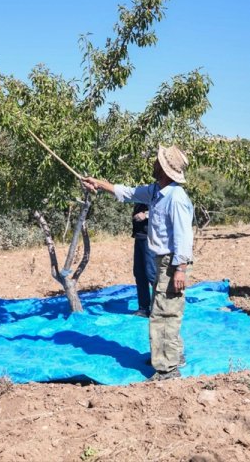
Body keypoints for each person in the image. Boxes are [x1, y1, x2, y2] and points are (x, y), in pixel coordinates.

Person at [81, 145, 193, 381]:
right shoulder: (155, 191)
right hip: (162, 260)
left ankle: (168, 369)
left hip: (172, 263)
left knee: (165, 314)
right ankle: (171, 355)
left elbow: (183, 237)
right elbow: (128, 192)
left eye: (157, 162)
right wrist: (99, 184)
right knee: (162, 309)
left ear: (163, 169)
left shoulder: (176, 198)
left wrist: (180, 270)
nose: (153, 163)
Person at [131, 203, 157, 317]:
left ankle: (160, 308)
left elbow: (163, 209)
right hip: (140, 237)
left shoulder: (156, 190)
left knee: (152, 273)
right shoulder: (140, 191)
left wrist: (146, 214)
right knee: (139, 273)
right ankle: (143, 308)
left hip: (150, 238)